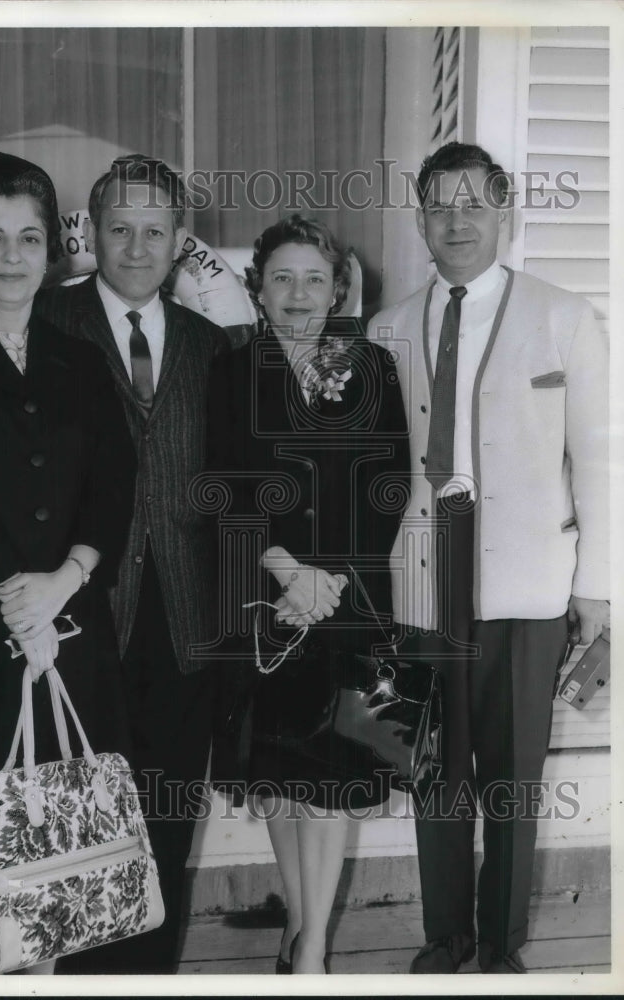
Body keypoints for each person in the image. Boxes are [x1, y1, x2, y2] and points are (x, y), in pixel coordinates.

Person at [0, 154, 228, 975]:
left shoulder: (83, 353)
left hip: (89, 621)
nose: (11, 254)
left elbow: (113, 477)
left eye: (28, 236)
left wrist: (66, 579)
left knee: (95, 838)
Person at [366, 141, 609, 974]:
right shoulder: (388, 326)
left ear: (504, 211)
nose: (457, 220)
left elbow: (605, 457)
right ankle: (446, 941)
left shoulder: (564, 316)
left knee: (511, 777)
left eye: (474, 203)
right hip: (424, 576)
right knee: (434, 768)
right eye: (440, 205)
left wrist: (600, 593)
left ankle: (501, 950)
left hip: (528, 576)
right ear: (421, 218)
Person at [207, 215, 409, 973]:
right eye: (282, 278)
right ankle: (299, 920)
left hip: (346, 606)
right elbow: (223, 484)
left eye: (315, 279)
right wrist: (287, 570)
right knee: (280, 783)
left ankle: (315, 952)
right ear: (258, 288)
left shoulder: (373, 368)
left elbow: (387, 486)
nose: (299, 294)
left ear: (338, 288)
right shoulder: (231, 372)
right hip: (265, 604)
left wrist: (330, 583)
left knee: (327, 786)